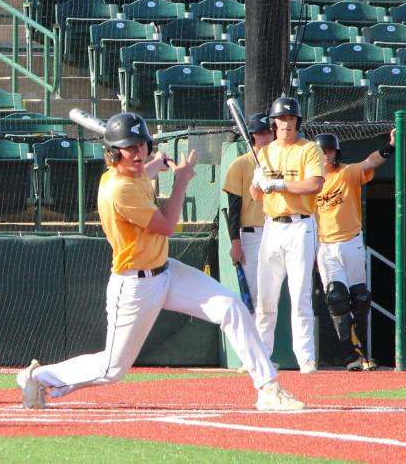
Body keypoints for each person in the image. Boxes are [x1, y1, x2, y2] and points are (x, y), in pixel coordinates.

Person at [17, 113, 303, 411]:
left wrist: (156, 164)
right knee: (111, 370)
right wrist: (181, 180)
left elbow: (144, 171)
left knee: (230, 306)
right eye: (131, 148)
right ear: (114, 153)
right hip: (133, 286)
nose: (139, 152)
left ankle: (268, 387)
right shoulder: (119, 188)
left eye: (143, 144)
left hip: (166, 270)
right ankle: (38, 377)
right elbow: (166, 225)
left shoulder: (133, 169)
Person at [250, 96, 325, 373]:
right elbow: (255, 195)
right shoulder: (265, 152)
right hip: (272, 225)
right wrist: (258, 182)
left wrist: (278, 184)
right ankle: (261, 357)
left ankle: (306, 358)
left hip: (301, 225)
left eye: (291, 119)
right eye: (282, 119)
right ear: (274, 122)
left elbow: (314, 184)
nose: (286, 123)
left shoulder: (308, 150)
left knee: (300, 295)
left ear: (297, 122)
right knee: (266, 298)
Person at [314, 130, 395, 371]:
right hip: (325, 246)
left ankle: (366, 354)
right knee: (336, 299)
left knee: (360, 299)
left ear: (336, 153)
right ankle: (350, 356)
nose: (327, 156)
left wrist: (390, 145)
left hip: (351, 241)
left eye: (330, 151)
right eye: (322, 152)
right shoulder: (311, 181)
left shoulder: (347, 173)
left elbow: (370, 161)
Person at [223, 113, 275, 314]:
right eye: (260, 133)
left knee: (270, 298)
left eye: (267, 132)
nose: (264, 137)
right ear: (252, 135)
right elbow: (233, 208)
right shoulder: (240, 164)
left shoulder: (282, 162)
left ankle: (263, 344)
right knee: (253, 298)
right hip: (252, 236)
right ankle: (253, 344)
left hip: (279, 230)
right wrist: (235, 243)